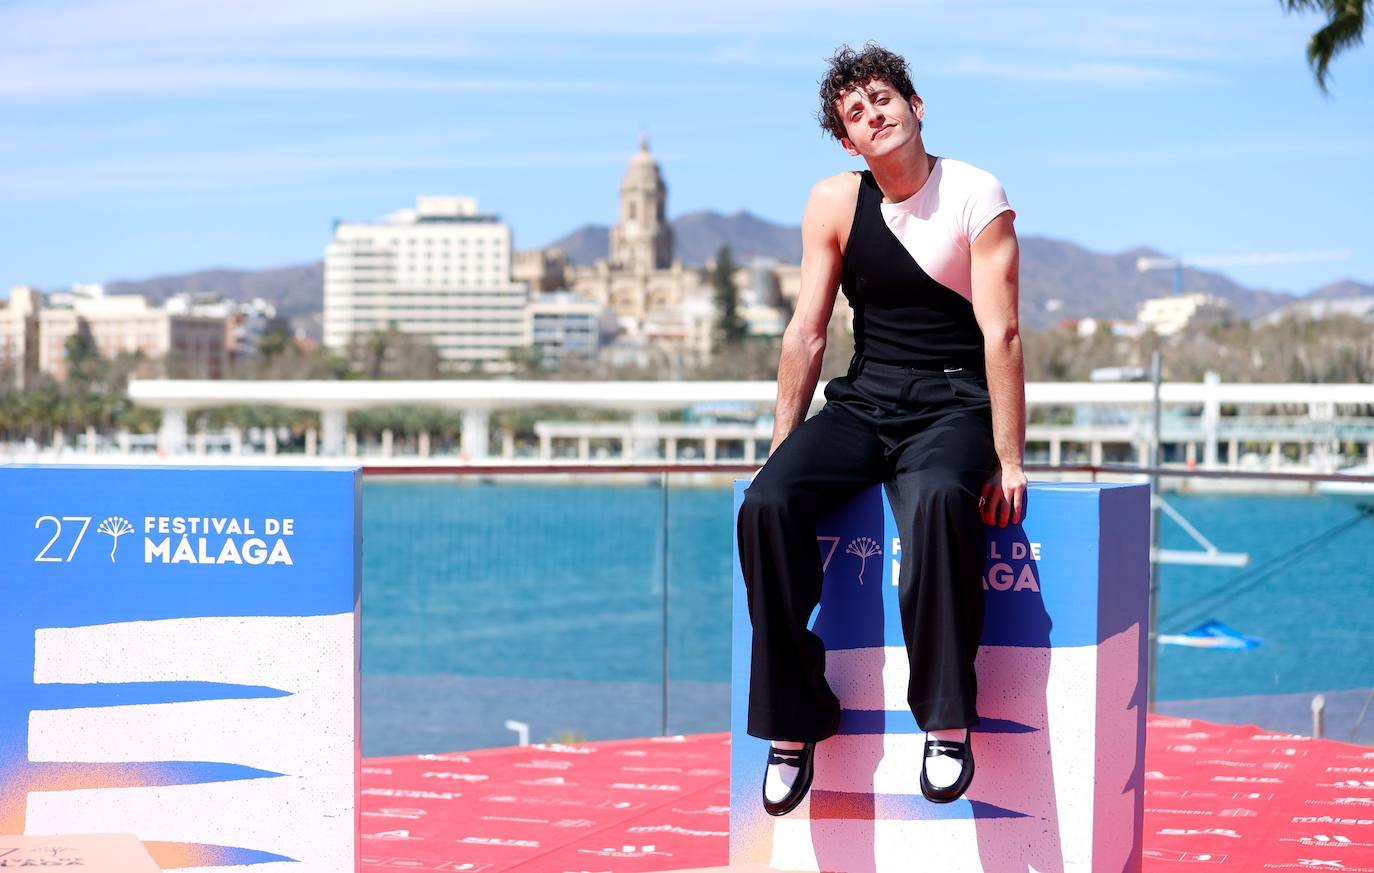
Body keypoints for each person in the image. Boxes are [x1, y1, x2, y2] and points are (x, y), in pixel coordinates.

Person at [737, 42, 1027, 816]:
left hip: (953, 402)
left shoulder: (977, 192)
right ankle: (796, 720)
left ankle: (944, 721)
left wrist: (1008, 456)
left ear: (916, 105)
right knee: (766, 505)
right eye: (856, 114)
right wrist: (781, 450)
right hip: (865, 400)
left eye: (884, 100)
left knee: (937, 503)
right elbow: (806, 333)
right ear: (849, 141)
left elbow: (1002, 335)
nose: (875, 116)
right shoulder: (834, 199)